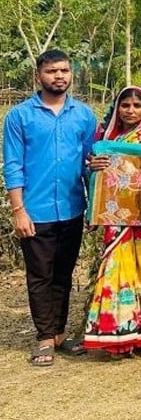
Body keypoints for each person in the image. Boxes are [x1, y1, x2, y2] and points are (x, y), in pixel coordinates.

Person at [3, 49, 97, 366]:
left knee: (64, 274)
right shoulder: (20, 116)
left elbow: (89, 164)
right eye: (52, 71)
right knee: (39, 275)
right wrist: (19, 210)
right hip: (36, 210)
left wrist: (97, 206)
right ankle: (44, 337)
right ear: (38, 75)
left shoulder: (84, 116)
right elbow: (13, 166)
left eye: (64, 71)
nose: (59, 76)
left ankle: (59, 334)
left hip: (72, 207)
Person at [84, 86, 141, 359]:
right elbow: (94, 173)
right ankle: (120, 333)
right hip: (115, 220)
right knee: (115, 270)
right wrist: (93, 166)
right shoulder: (106, 137)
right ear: (117, 108)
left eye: (137, 106)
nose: (131, 111)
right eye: (126, 105)